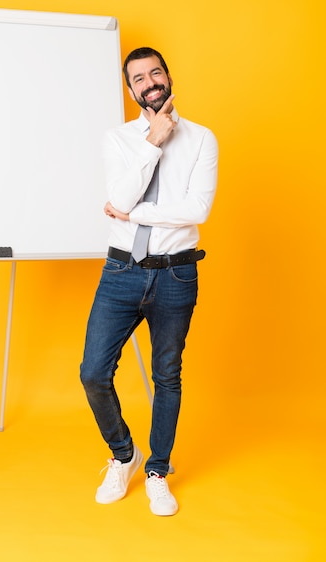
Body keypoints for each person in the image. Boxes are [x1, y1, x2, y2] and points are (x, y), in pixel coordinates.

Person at [80, 47, 218, 516]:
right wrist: (153, 141)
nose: (149, 82)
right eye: (138, 78)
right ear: (131, 89)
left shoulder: (202, 139)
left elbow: (196, 210)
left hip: (177, 273)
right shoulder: (118, 139)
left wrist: (132, 213)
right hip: (121, 271)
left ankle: (158, 470)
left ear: (167, 76)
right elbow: (116, 194)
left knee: (167, 376)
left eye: (155, 72)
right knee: (93, 372)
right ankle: (125, 455)